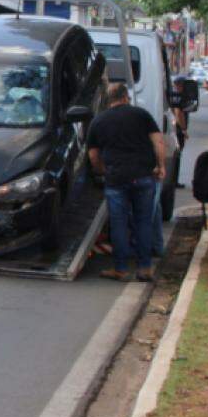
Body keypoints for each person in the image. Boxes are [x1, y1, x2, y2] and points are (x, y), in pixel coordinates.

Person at [88, 82, 167, 282]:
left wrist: (103, 171)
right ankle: (145, 268)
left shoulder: (99, 121)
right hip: (143, 176)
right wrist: (161, 166)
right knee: (143, 222)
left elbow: (93, 155)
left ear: (109, 100)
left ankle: (121, 269)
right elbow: (158, 142)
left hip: (116, 179)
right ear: (125, 97)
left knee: (119, 224)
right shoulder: (141, 115)